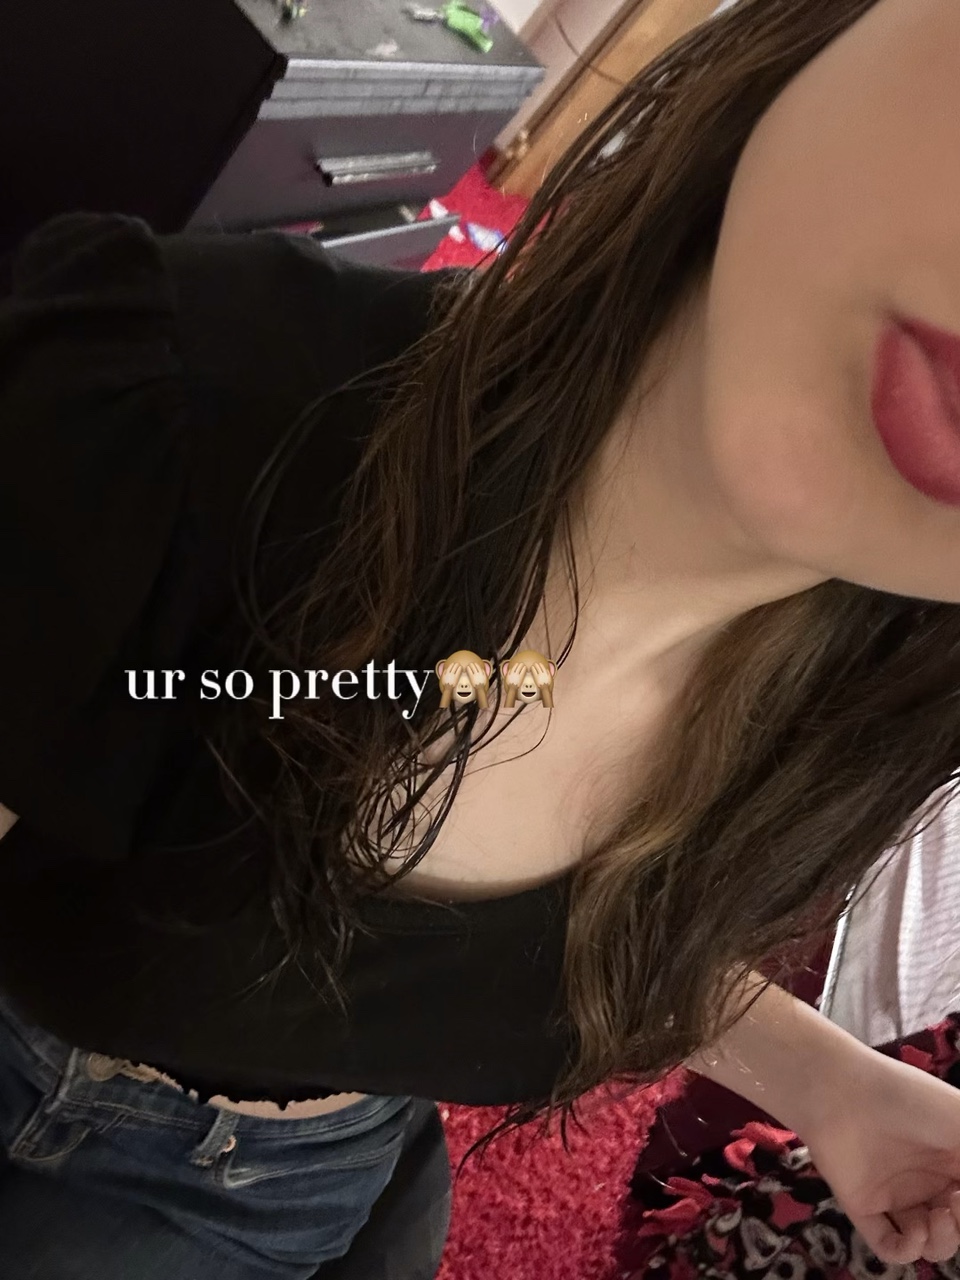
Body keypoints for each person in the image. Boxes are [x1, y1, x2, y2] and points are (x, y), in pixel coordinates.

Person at [3, 0, 960, 1274]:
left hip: (336, 1156)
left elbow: (588, 950)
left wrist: (834, 1084)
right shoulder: (175, 415)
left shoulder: (863, 733)